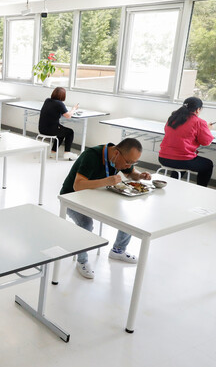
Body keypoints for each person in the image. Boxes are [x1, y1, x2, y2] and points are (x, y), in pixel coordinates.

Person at [60, 138, 152, 279]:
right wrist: (107, 181)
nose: (129, 165)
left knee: (128, 215)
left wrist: (139, 175)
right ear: (116, 153)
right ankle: (82, 261)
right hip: (72, 198)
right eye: (128, 162)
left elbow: (130, 173)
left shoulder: (121, 158)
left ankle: (118, 250)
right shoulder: (91, 155)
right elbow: (77, 185)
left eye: (133, 163)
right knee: (86, 224)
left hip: (99, 195)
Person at [158, 97, 214, 187]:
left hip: (163, 158)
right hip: (182, 160)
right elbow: (206, 142)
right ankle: (201, 189)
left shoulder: (172, 118)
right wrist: (207, 129)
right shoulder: (199, 122)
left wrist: (204, 128)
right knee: (208, 164)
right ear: (198, 109)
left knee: (181, 157)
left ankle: (173, 184)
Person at [38, 86, 79, 161]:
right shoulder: (59, 104)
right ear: (63, 96)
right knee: (70, 132)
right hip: (51, 130)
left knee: (62, 132)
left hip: (42, 129)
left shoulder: (47, 100)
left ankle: (53, 153)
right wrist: (74, 109)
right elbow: (68, 116)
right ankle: (67, 153)